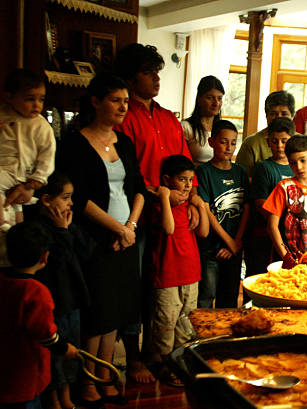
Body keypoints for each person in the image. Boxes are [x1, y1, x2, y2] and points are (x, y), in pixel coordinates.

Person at [57, 73, 146, 406]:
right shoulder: (75, 143)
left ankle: (106, 376)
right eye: (116, 100)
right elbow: (79, 199)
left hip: (127, 235)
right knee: (97, 313)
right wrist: (117, 228)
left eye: (126, 101)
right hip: (95, 238)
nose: (124, 107)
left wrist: (131, 227)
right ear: (95, 102)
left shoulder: (124, 141)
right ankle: (88, 383)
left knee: (117, 311)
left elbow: (137, 188)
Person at [115, 42, 196, 384]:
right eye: (149, 73)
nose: (156, 78)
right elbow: (127, 170)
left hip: (173, 221)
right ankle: (134, 359)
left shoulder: (167, 118)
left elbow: (184, 167)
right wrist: (159, 193)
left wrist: (191, 200)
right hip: (140, 217)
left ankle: (165, 355)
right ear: (132, 78)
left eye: (158, 72)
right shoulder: (125, 117)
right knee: (135, 289)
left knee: (170, 293)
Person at [30, 173, 92, 409]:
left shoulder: (69, 224)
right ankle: (54, 401)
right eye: (66, 198)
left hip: (71, 300)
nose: (71, 203)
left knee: (70, 353)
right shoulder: (38, 229)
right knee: (53, 356)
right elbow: (56, 262)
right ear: (46, 200)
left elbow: (86, 252)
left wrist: (67, 230)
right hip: (52, 301)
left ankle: (67, 399)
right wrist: (62, 231)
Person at [0, 222, 78, 409]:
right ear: (45, 256)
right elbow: (44, 332)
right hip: (25, 376)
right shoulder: (36, 292)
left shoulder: (4, 280)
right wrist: (64, 348)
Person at [148, 155, 209, 386]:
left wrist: (201, 205)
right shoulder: (158, 204)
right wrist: (164, 197)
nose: (186, 185)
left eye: (190, 180)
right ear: (166, 180)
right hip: (167, 274)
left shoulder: (189, 206)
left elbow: (203, 233)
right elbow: (169, 228)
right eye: (182, 179)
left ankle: (181, 361)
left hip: (190, 272)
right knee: (166, 322)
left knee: (186, 321)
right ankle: (165, 365)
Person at [196, 120, 249, 308]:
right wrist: (229, 241)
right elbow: (207, 211)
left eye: (233, 143)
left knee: (230, 298)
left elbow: (246, 208)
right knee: (205, 296)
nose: (229, 148)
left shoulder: (240, 172)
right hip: (211, 247)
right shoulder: (204, 172)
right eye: (224, 142)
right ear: (211, 142)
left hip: (235, 247)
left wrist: (237, 241)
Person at [263, 135, 307, 262]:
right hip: (283, 258)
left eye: (303, 160)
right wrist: (285, 256)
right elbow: (272, 226)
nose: (299, 167)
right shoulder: (283, 187)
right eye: (293, 162)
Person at [0, 69, 55, 230]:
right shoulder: (3, 115)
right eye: (30, 99)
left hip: (22, 172)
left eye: (41, 99)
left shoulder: (40, 125)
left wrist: (38, 178)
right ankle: (16, 224)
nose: (37, 105)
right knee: (15, 203)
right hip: (5, 166)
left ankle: (3, 223)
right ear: (9, 97)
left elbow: (48, 154)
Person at [246, 117, 295, 278]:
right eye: (275, 141)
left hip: (292, 239)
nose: (280, 146)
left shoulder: (297, 167)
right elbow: (261, 205)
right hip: (265, 238)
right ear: (268, 142)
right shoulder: (263, 168)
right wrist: (284, 223)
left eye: (284, 141)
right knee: (261, 280)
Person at [235, 90, 295, 178]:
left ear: (292, 116)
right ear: (266, 116)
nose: (278, 117)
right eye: (273, 114)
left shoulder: (301, 141)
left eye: (284, 114)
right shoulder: (251, 143)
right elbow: (241, 178)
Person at [181, 75, 224, 167]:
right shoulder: (186, 127)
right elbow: (180, 162)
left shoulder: (223, 128)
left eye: (219, 98)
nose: (216, 103)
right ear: (199, 98)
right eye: (210, 98)